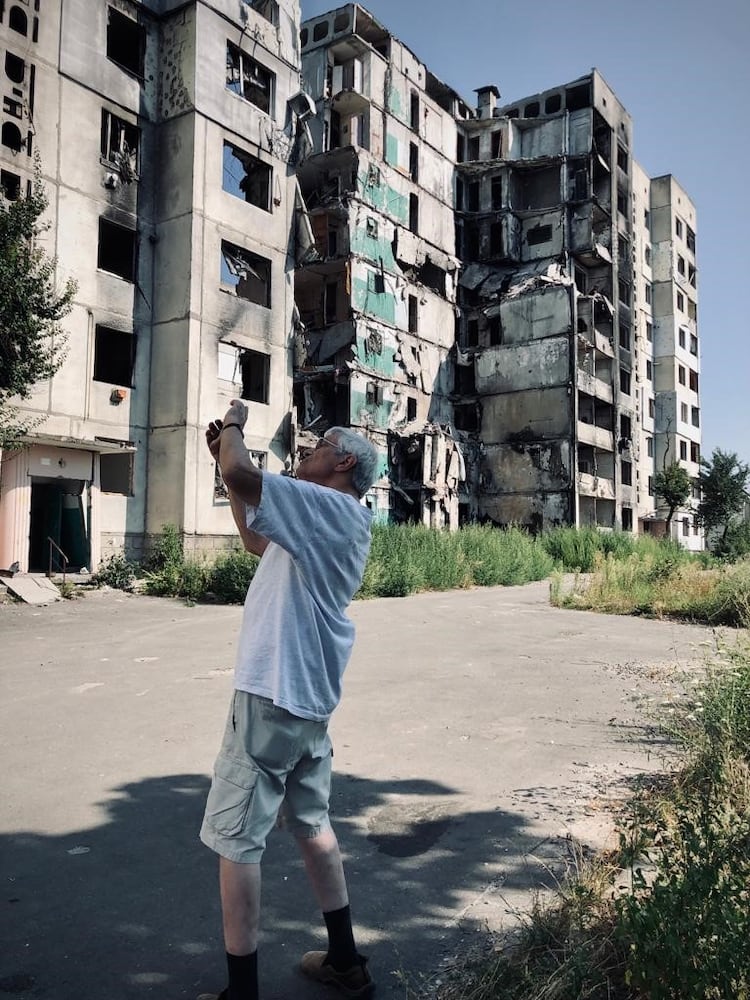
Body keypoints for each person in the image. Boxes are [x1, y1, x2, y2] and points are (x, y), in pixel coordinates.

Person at [198, 399, 379, 1000]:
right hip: (307, 702)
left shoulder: (328, 504)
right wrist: (225, 461)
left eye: (321, 443)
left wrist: (234, 429)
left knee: (236, 837)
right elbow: (255, 538)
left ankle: (240, 994)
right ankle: (345, 959)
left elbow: (243, 476)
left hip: (272, 693)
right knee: (311, 823)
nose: (308, 449)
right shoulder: (330, 518)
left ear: (344, 461)